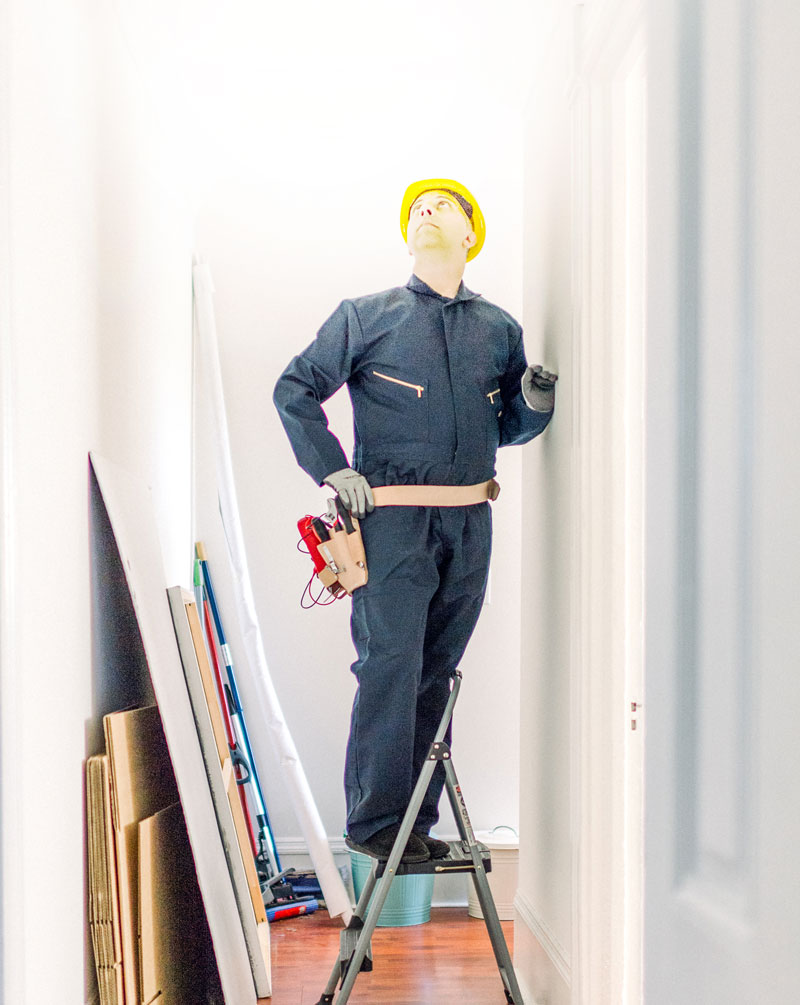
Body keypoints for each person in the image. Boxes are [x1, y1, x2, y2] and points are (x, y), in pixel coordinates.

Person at [274, 178, 557, 864]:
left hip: (470, 525)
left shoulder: (499, 330)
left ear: (470, 235)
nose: (428, 211)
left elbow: (508, 428)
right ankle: (376, 825)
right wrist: (331, 468)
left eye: (445, 205)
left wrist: (535, 401)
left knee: (437, 672)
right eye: (417, 209)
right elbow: (295, 388)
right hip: (392, 526)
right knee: (390, 667)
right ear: (408, 237)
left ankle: (417, 828)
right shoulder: (365, 317)